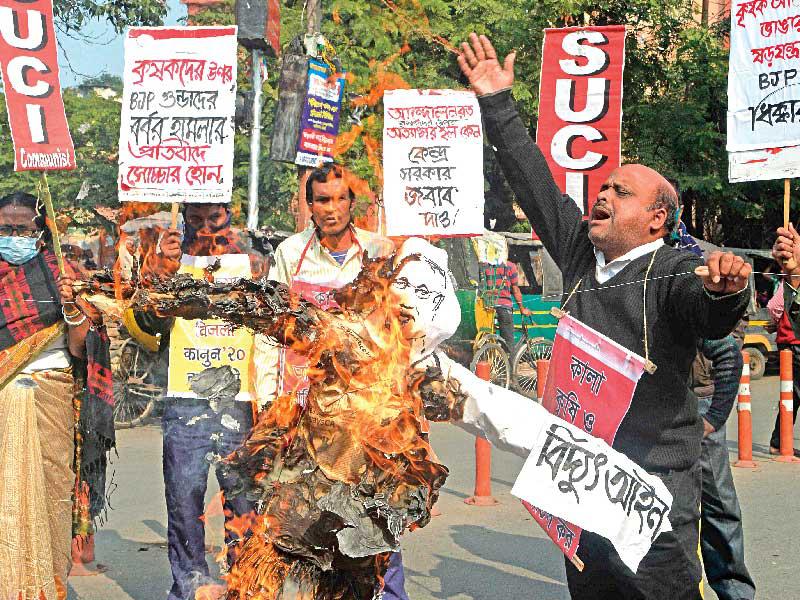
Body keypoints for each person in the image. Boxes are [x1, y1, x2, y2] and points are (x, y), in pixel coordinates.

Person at [457, 33, 751, 599]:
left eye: (621, 190)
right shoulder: (578, 254)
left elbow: (706, 311)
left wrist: (725, 292)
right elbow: (533, 179)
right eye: (603, 185)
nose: (603, 192)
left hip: (652, 491)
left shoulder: (675, 269)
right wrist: (495, 101)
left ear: (657, 218)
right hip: (581, 484)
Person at [259, 163, 410, 600]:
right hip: (309, 409)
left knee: (379, 508)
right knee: (310, 514)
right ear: (309, 206)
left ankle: (389, 595)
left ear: (351, 202)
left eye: (339, 198)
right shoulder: (290, 254)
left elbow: (399, 327)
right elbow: (274, 329)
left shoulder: (379, 251)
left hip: (368, 408)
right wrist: (271, 399)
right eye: (321, 200)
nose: (330, 208)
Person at [128, 202, 269, 600]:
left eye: (214, 220)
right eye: (195, 221)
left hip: (240, 403)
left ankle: (246, 585)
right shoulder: (170, 261)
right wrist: (161, 273)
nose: (205, 228)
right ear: (184, 220)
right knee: (185, 501)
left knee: (243, 504)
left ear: (230, 215)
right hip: (184, 403)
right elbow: (147, 322)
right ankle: (189, 586)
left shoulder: (253, 262)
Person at [0, 191, 113, 600]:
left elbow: (83, 349)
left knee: (50, 495)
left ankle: (44, 587)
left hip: (53, 395)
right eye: (5, 229)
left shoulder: (60, 274)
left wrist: (71, 307)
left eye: (22, 229)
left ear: (40, 232)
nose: (13, 237)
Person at [770, 222, 800, 453]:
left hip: (788, 342)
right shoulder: (788, 285)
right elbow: (777, 307)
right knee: (792, 394)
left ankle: (779, 442)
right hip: (792, 343)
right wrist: (793, 274)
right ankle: (780, 442)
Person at [480, 259, 531, 351]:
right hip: (504, 307)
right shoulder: (510, 266)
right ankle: (509, 364)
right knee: (508, 346)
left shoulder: (484, 265)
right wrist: (522, 308)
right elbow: (515, 290)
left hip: (486, 308)